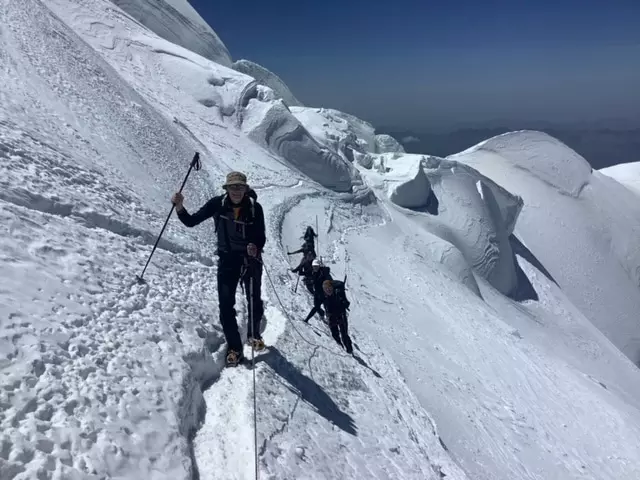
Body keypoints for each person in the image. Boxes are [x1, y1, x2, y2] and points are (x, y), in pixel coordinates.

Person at [171, 171, 266, 367]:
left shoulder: (255, 209)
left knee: (254, 299)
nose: (237, 191)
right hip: (228, 259)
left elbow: (261, 237)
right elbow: (191, 221)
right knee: (225, 305)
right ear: (227, 189)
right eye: (233, 187)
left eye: (240, 187)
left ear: (246, 189)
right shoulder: (217, 204)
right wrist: (179, 207)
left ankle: (253, 334)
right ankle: (234, 348)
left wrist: (255, 247)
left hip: (251, 260)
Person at [321, 279, 353, 354]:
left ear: (332, 287)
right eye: (326, 289)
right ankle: (340, 347)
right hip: (331, 316)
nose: (328, 290)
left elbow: (347, 303)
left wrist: (343, 302)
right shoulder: (323, 295)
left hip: (341, 315)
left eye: (329, 288)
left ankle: (349, 349)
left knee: (344, 334)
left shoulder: (338, 293)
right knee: (334, 334)